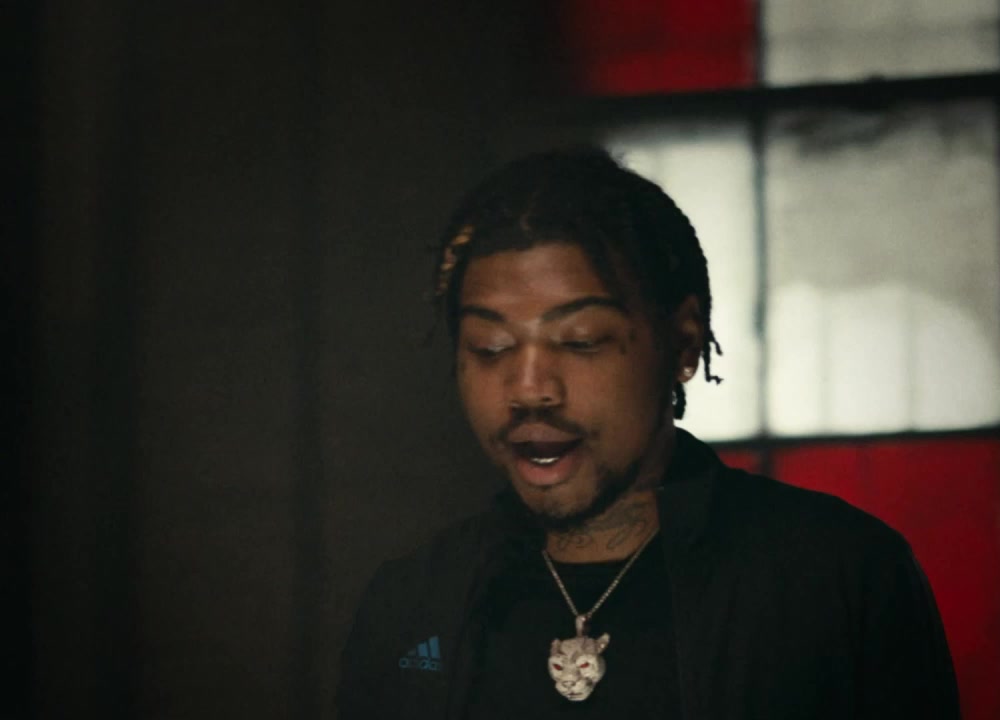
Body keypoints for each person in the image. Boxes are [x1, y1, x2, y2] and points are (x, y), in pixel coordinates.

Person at [336, 147, 960, 719]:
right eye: (490, 347)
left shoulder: (837, 580)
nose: (529, 389)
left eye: (580, 341)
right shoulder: (412, 606)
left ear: (683, 343)